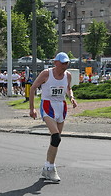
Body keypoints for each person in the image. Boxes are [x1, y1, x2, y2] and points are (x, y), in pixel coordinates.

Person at [29, 52, 77, 182]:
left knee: (55, 140)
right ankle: (51, 168)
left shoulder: (68, 75)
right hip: (47, 105)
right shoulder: (46, 73)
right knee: (56, 136)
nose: (65, 65)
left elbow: (68, 88)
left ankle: (47, 167)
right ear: (55, 62)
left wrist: (71, 97)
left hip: (61, 106)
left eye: (67, 63)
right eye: (62, 63)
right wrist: (32, 108)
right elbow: (33, 88)